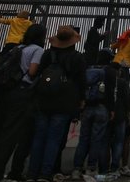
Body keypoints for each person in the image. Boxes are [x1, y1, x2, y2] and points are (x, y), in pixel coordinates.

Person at [27, 25, 86, 182]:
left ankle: (31, 173)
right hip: (64, 102)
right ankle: (45, 174)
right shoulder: (77, 57)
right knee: (54, 139)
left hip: (43, 100)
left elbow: (37, 74)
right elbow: (81, 81)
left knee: (39, 137)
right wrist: (81, 100)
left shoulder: (47, 54)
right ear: (73, 41)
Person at [0, 24, 46, 182]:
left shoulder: (16, 48)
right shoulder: (37, 50)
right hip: (22, 93)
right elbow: (31, 72)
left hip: (6, 92)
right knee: (9, 135)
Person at [71, 48, 117, 179]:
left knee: (83, 138)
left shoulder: (88, 69)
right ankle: (91, 168)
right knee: (96, 139)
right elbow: (111, 92)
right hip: (102, 108)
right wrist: (111, 109)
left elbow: (81, 88)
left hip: (87, 107)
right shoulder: (110, 72)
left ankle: (76, 169)